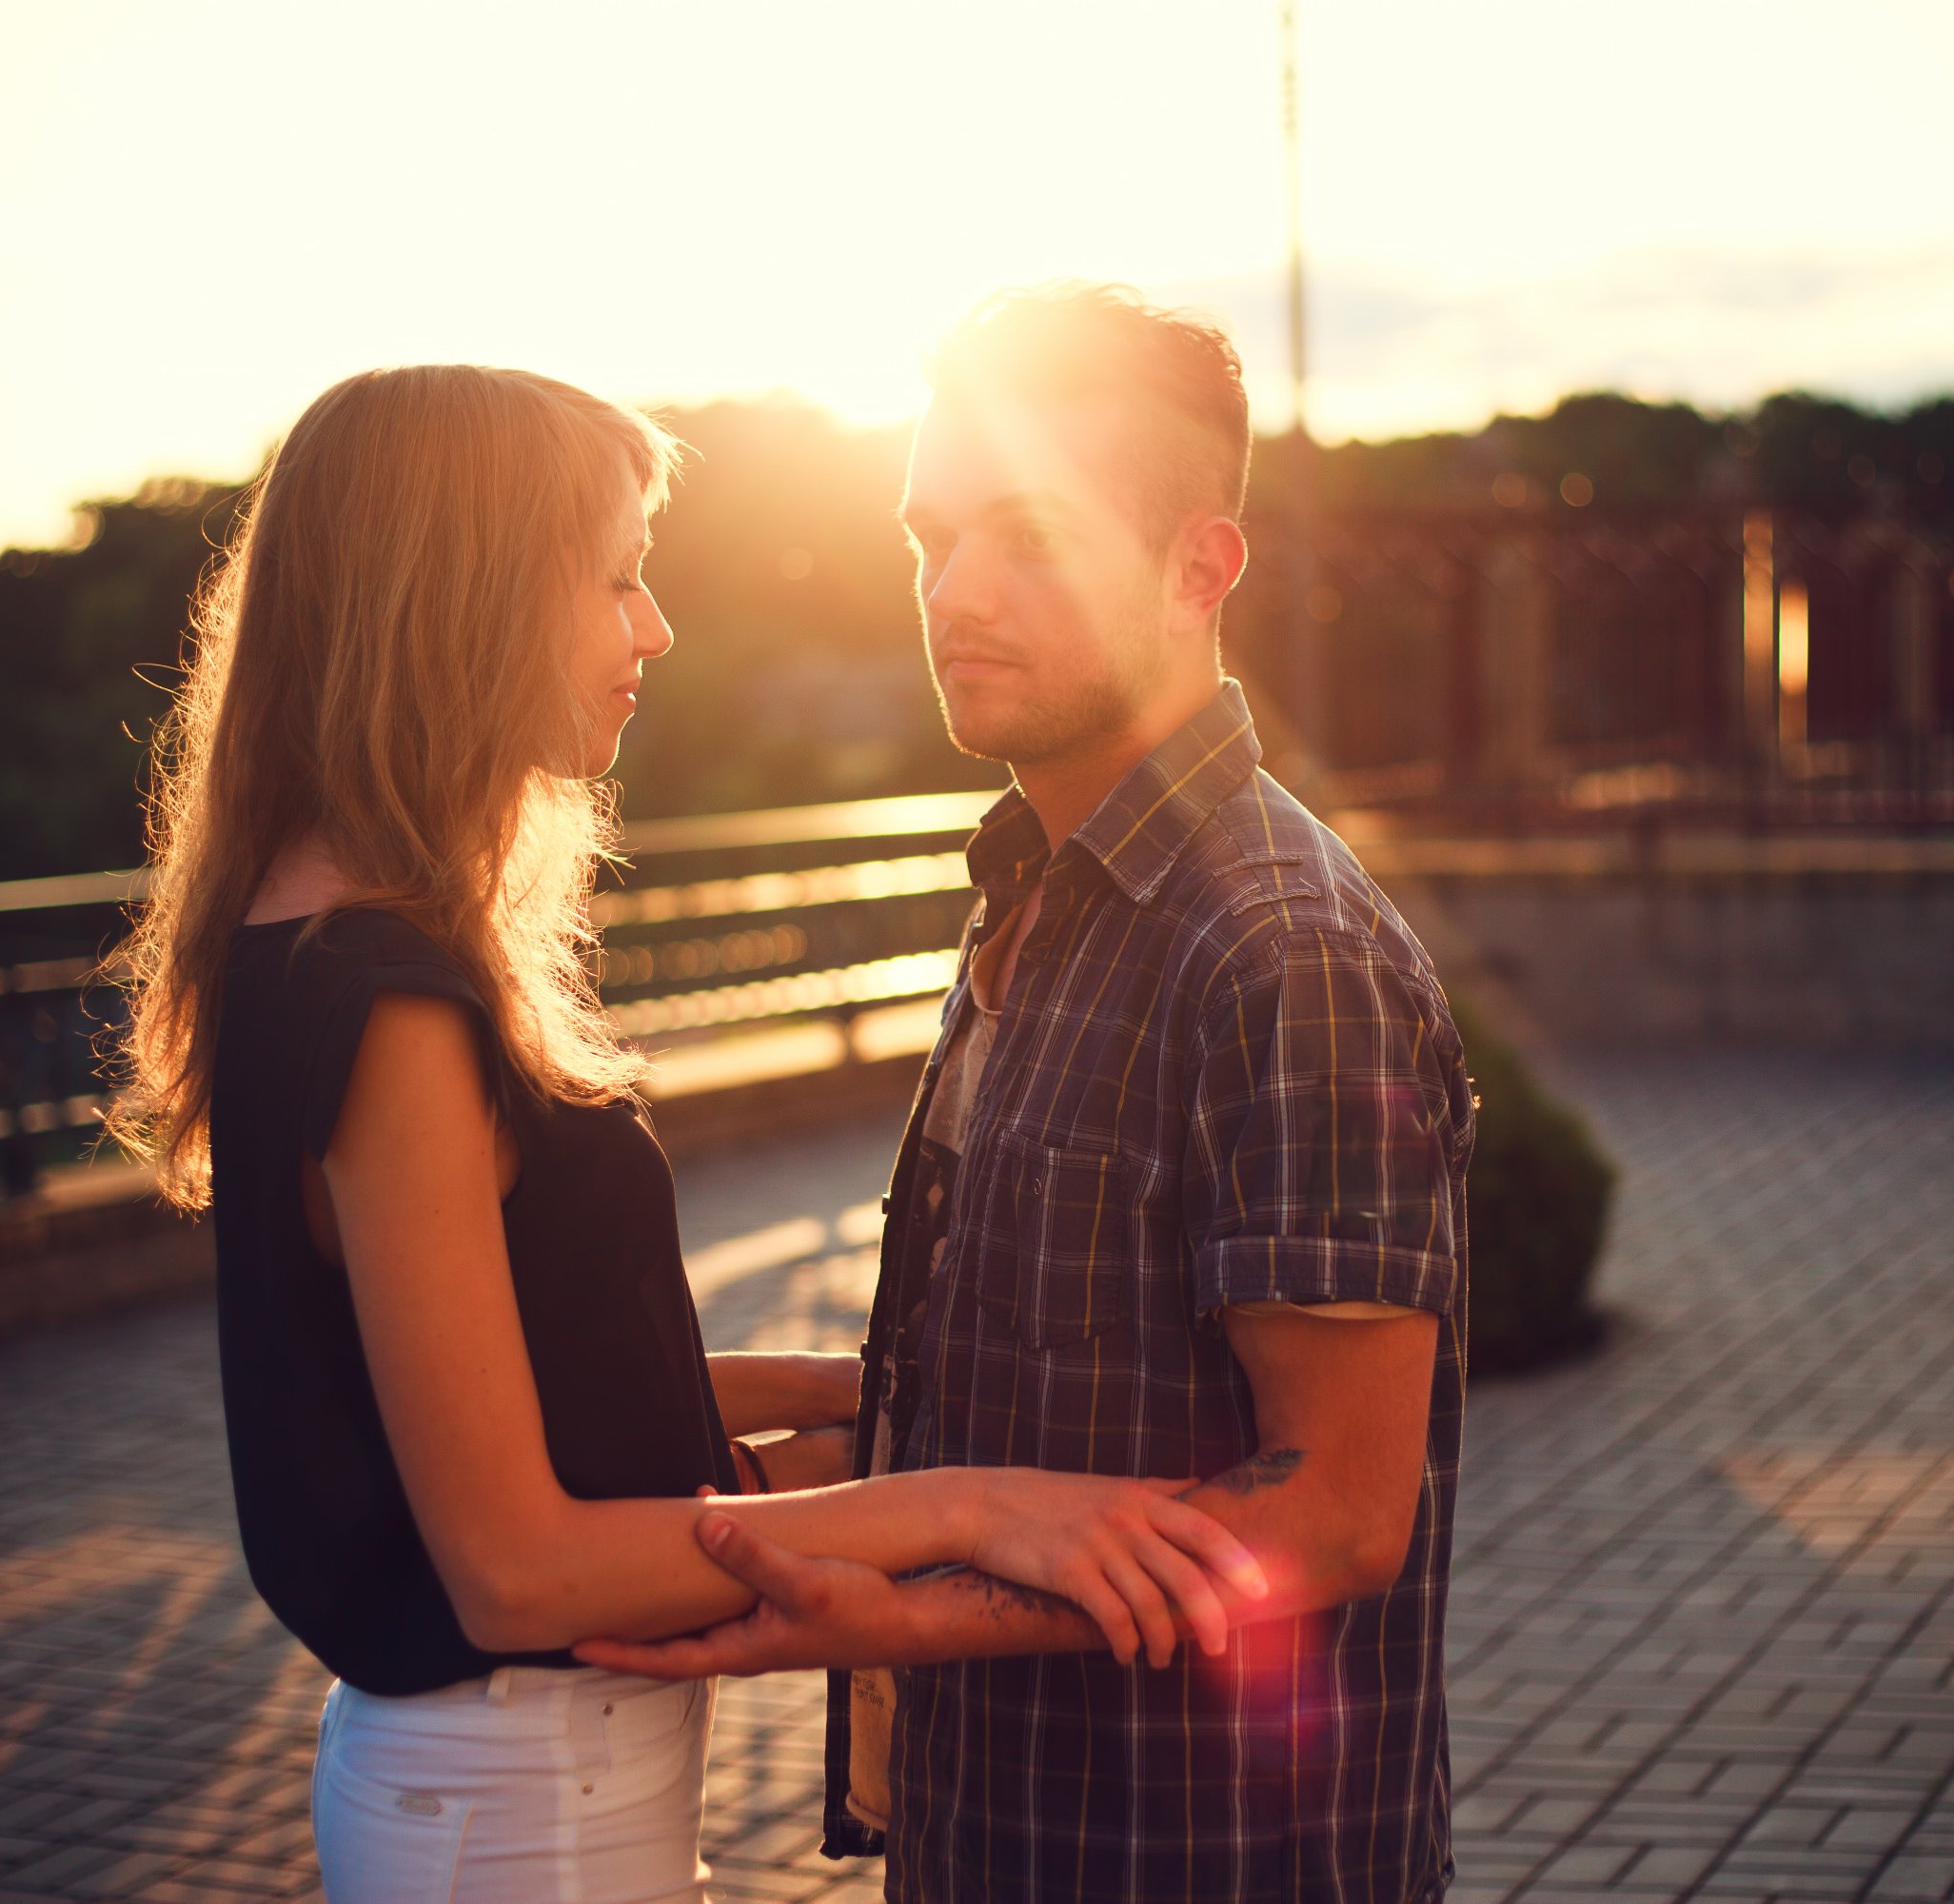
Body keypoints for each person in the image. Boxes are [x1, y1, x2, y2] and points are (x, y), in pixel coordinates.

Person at [105, 364, 1269, 1904]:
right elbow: (513, 1564)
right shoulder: (387, 1002)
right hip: (526, 1808)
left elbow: (517, 1389)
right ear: (469, 599)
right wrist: (974, 1506)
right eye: (616, 579)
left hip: (518, 1791)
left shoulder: (310, 938)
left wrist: (883, 1405)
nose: (652, 628)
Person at [583, 288, 1476, 1903]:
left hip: (1198, 1855)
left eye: (1028, 538)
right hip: (990, 1831)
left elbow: (1343, 1511)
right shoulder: (1040, 889)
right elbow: (1043, 1386)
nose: (956, 592)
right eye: (931, 540)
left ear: (1204, 567)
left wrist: (898, 1613)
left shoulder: (1285, 954)